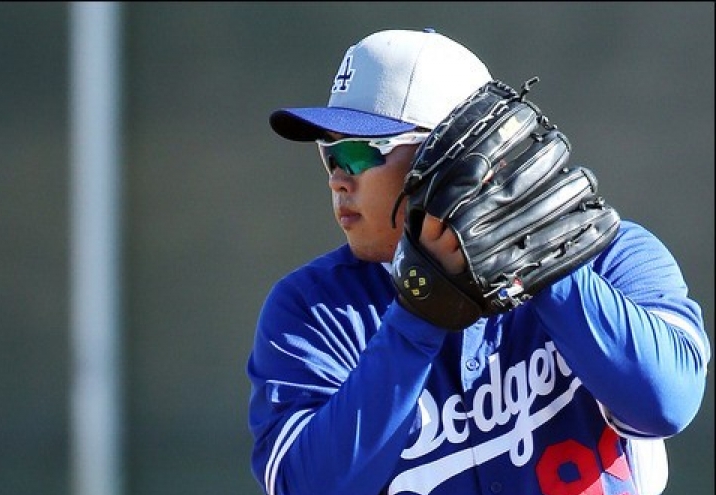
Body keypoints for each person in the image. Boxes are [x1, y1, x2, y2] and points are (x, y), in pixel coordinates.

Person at [246, 28, 710, 495]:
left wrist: (546, 267)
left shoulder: (610, 254)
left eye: (359, 152)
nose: (338, 180)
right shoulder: (315, 308)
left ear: (459, 153)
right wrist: (417, 314)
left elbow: (667, 403)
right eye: (330, 153)